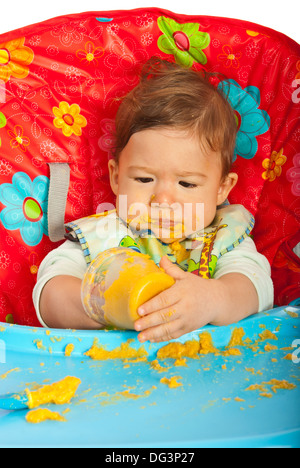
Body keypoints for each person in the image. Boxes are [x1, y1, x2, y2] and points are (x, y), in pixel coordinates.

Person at [33, 58, 273, 342]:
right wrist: (103, 304)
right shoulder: (102, 237)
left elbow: (256, 288)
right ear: (116, 177)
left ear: (222, 188)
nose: (163, 200)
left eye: (187, 183)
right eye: (144, 180)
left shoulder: (224, 237)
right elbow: (48, 294)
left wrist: (213, 300)